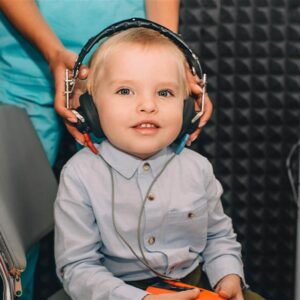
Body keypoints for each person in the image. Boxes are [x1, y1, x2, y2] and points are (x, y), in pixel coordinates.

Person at [0, 1, 213, 299]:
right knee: (12, 232)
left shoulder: (197, 168)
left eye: (165, 94)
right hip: (24, 66)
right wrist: (52, 52)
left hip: (130, 64)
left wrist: (170, 63)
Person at [54, 27, 264, 300]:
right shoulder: (79, 175)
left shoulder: (197, 168)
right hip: (113, 290)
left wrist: (228, 276)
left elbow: (218, 237)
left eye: (164, 93)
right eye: (125, 90)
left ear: (189, 109)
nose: (147, 105)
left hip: (193, 282)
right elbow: (77, 266)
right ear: (90, 108)